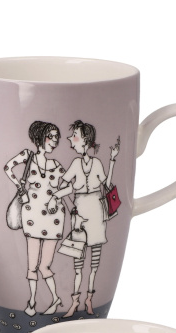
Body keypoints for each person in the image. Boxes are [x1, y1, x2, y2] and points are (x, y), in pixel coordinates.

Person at [48, 120, 120, 316]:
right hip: (80, 218)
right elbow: (67, 186)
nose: (70, 139)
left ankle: (89, 299)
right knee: (78, 264)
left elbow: (106, 184)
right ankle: (75, 302)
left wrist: (112, 160)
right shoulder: (75, 164)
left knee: (94, 264)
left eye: (75, 136)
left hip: (96, 214)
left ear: (85, 140)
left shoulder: (96, 163)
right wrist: (58, 197)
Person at [4, 121, 66, 316]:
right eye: (51, 137)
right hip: (31, 216)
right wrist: (19, 187)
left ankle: (55, 299)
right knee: (32, 265)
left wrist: (58, 198)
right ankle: (31, 302)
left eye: (56, 137)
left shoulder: (56, 166)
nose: (54, 141)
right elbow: (8, 167)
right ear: (40, 138)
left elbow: (68, 186)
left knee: (44, 266)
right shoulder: (28, 156)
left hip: (54, 217)